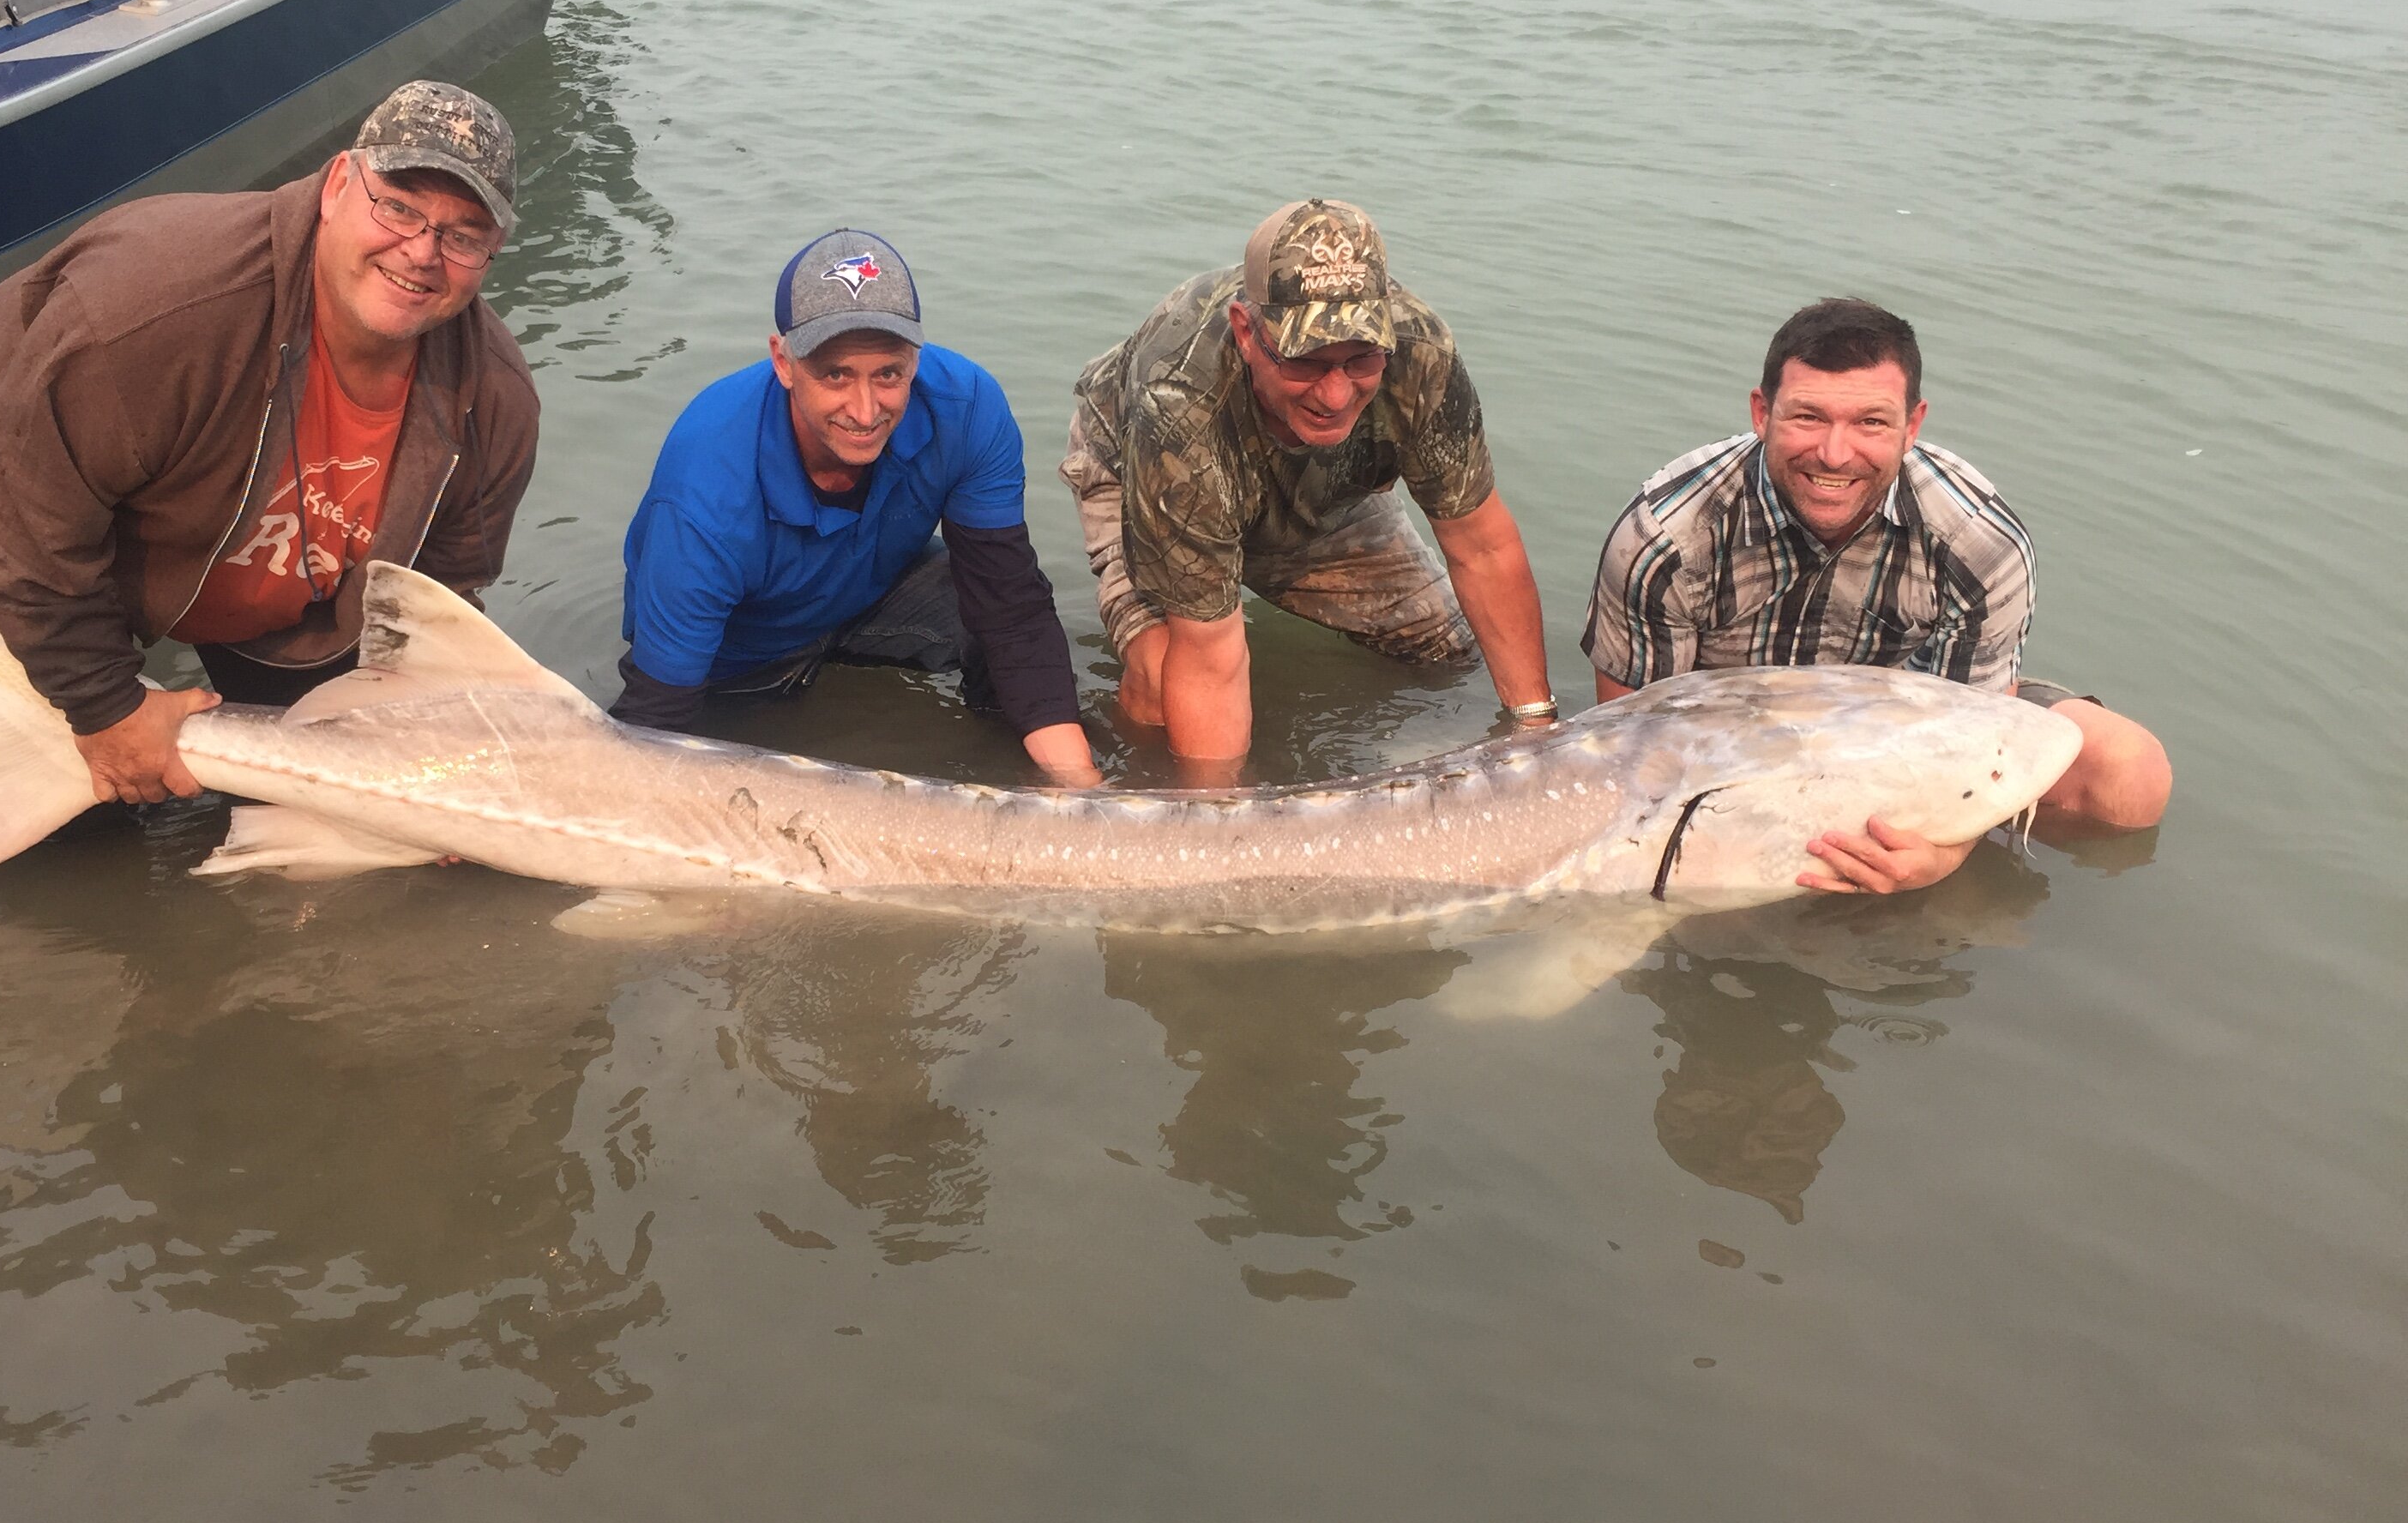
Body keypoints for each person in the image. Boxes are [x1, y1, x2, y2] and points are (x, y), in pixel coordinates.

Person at [0, 81, 541, 804]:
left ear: (491, 252)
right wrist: (104, 707)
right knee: (79, 798)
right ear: (337, 185)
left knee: (335, 791)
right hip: (22, 459)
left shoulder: (495, 401)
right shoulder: (154, 311)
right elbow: (33, 527)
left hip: (267, 552)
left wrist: (436, 764)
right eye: (398, 206)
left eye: (463, 235)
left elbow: (435, 599)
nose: (422, 252)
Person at [1584, 297, 2171, 894]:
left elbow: (1973, 733)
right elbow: (1631, 754)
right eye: (1808, 417)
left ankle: (1972, 885)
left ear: (1912, 425)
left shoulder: (1979, 541)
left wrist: (1945, 856)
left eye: (1871, 422)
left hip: (1905, 739)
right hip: (1725, 743)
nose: (1835, 455)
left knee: (2128, 774)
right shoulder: (1667, 533)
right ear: (1762, 413)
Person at [1060, 199, 1555, 780]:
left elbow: (1483, 548)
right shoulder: (1177, 402)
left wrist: (1536, 732)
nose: (1337, 394)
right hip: (1144, 469)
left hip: (1328, 485)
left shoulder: (1421, 352)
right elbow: (1208, 656)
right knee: (1164, 674)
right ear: (1247, 332)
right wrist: (1220, 827)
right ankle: (1131, 797)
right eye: (1308, 361)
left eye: (1361, 359)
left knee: (1448, 651)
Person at [614, 229, 1099, 786]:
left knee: (1007, 627)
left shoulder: (966, 407)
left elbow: (1010, 608)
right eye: (835, 374)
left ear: (915, 358)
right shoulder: (705, 486)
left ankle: (999, 768)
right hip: (739, 661)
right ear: (784, 361)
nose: (866, 411)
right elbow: (656, 720)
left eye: (889, 373)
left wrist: (1083, 790)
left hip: (873, 598)